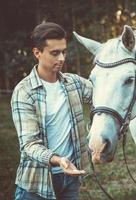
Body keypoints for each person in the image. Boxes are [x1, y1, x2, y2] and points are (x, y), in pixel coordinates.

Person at [11, 22, 93, 199]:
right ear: (37, 53)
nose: (62, 58)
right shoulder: (24, 91)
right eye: (55, 53)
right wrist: (58, 160)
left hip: (70, 180)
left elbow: (106, 96)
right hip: (35, 184)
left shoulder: (74, 83)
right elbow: (29, 145)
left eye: (64, 51)